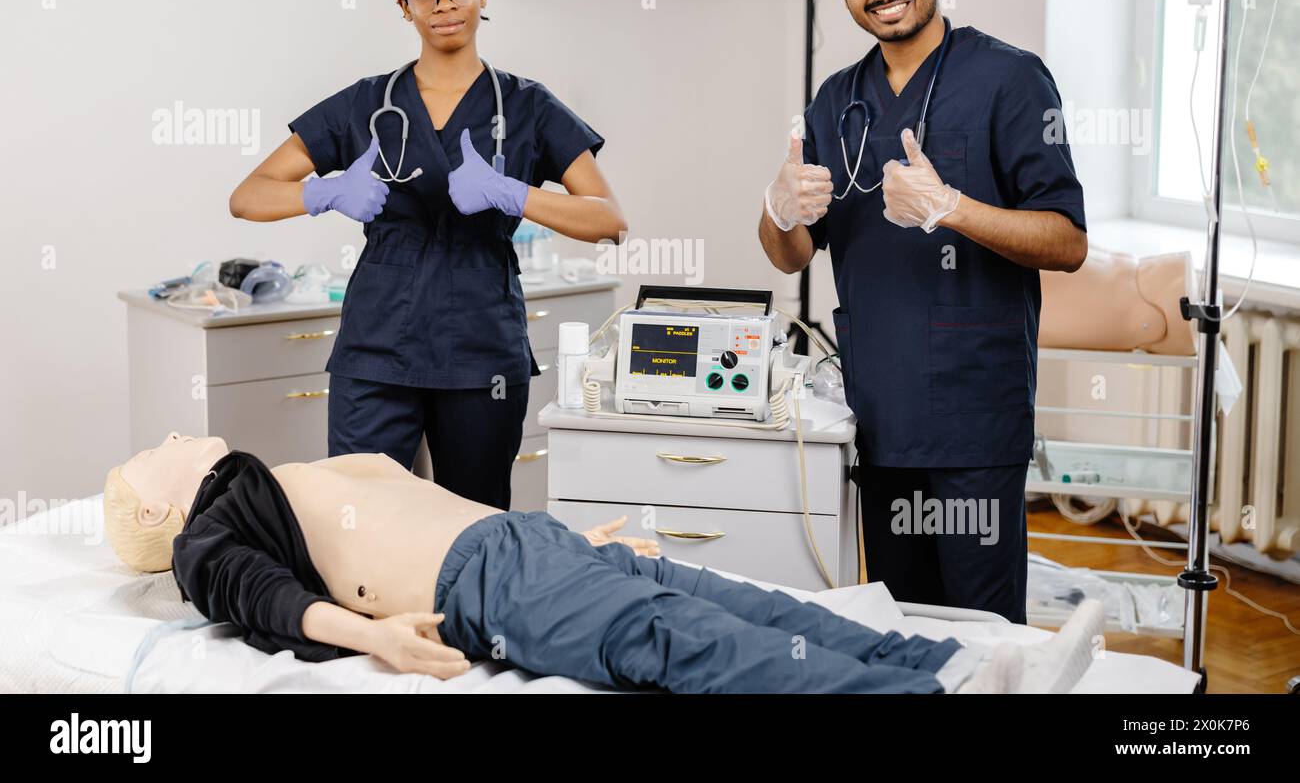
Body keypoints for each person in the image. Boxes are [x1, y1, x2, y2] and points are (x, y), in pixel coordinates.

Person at [103, 432, 1105, 694]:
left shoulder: (292, 469)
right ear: (155, 502)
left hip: (526, 546)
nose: (177, 429)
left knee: (746, 601)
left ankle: (949, 661)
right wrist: (372, 635)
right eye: (156, 445)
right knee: (680, 641)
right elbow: (264, 598)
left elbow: (443, 499)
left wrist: (578, 540)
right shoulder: (209, 532)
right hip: (481, 588)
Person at [759, 0, 1088, 623]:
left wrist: (952, 208)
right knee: (904, 625)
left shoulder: (1010, 78)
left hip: (975, 413)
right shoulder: (836, 99)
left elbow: (1068, 241)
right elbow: (789, 256)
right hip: (881, 412)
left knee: (985, 629)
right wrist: (776, 208)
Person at [228, 0, 626, 509]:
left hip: (480, 351)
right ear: (403, 5)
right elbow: (248, 195)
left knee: (474, 524)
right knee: (362, 520)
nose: (444, 4)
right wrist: (327, 192)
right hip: (377, 347)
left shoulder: (527, 106)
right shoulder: (367, 103)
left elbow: (608, 220)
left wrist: (510, 192)